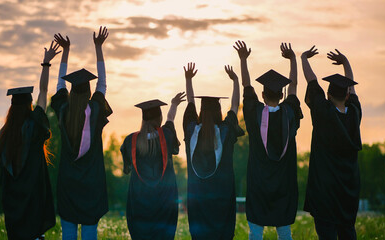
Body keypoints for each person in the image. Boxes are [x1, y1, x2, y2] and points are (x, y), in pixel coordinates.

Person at [0, 41, 60, 240]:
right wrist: (46, 64)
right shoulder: (35, 126)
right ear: (29, 105)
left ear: (11, 108)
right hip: (33, 199)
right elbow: (43, 92)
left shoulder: (0, 138)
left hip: (12, 204)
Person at [235, 41, 303, 240]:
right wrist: (292, 59)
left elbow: (246, 86)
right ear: (282, 94)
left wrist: (243, 59)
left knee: (255, 232)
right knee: (284, 233)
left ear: (262, 95)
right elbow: (294, 87)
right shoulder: (289, 113)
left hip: (258, 183)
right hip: (284, 184)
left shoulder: (254, 113)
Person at [51, 26, 113, 240]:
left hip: (68, 184)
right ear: (88, 92)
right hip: (91, 184)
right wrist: (98, 48)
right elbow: (103, 84)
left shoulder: (63, 111)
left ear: (70, 91)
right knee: (89, 232)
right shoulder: (95, 110)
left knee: (68, 233)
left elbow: (59, 85)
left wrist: (65, 52)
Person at [301, 46, 361, 240]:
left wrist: (303, 58)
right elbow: (351, 88)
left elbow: (312, 81)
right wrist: (345, 62)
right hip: (347, 193)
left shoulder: (322, 113)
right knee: (348, 233)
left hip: (324, 193)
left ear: (328, 95)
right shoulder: (354, 114)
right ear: (346, 96)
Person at [183, 62, 244, 240]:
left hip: (198, 200)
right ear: (219, 111)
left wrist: (188, 80)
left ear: (201, 111)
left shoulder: (192, 131)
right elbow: (234, 107)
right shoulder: (225, 131)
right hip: (222, 200)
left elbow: (190, 105)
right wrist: (235, 81)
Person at [120, 92, 185, 240]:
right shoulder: (166, 136)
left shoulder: (131, 140)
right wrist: (174, 104)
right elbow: (170, 120)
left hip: (139, 204)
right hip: (164, 203)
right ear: (159, 118)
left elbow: (127, 168)